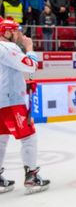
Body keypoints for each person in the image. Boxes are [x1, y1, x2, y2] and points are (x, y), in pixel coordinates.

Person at [0, 17, 50, 194]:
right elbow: (31, 66)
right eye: (15, 31)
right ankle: (32, 176)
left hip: (2, 100)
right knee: (28, 137)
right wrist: (29, 47)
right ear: (6, 32)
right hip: (11, 101)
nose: (19, 34)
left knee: (1, 139)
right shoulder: (8, 47)